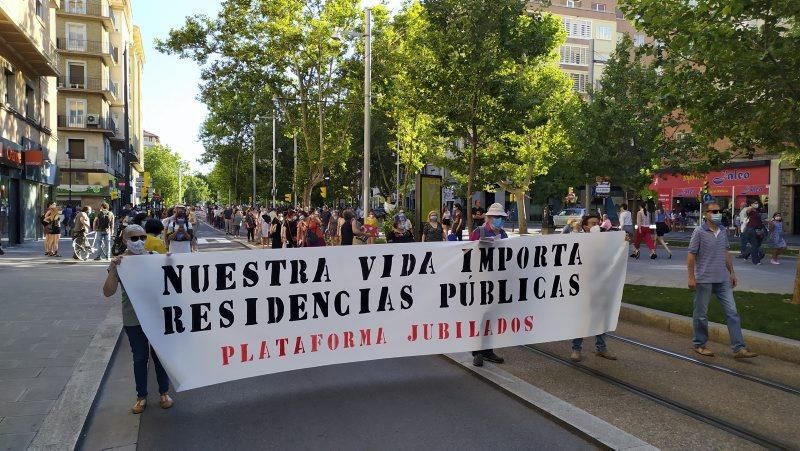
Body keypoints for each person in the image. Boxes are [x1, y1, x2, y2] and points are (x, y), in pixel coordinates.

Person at [103, 225, 174, 414]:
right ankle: (141, 396)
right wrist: (112, 269)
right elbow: (108, 292)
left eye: (142, 237)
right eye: (134, 239)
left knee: (159, 356)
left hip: (156, 316)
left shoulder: (153, 258)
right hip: (133, 319)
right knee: (140, 357)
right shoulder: (121, 263)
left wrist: (169, 263)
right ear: (125, 240)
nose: (139, 242)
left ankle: (164, 393)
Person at [687, 201, 757, 359]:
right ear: (706, 214)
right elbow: (691, 256)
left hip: (723, 279)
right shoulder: (699, 231)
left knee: (732, 313)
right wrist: (691, 277)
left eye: (718, 211)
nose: (717, 213)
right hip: (704, 279)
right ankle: (699, 344)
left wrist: (732, 272)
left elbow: (726, 253)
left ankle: (739, 348)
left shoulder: (723, 231)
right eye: (713, 211)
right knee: (701, 314)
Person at [570, 214, 618, 362]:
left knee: (601, 317)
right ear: (585, 226)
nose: (596, 225)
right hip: (583, 286)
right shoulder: (578, 239)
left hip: (600, 285)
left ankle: (601, 348)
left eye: (598, 223)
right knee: (581, 317)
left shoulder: (604, 239)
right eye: (592, 223)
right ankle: (576, 349)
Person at [469, 203, 508, 367]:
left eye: (501, 218)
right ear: (489, 217)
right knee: (479, 316)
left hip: (496, 280)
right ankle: (477, 351)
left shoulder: (504, 234)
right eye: (496, 217)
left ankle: (488, 349)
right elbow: (467, 252)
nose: (499, 220)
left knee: (491, 316)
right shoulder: (479, 232)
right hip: (480, 280)